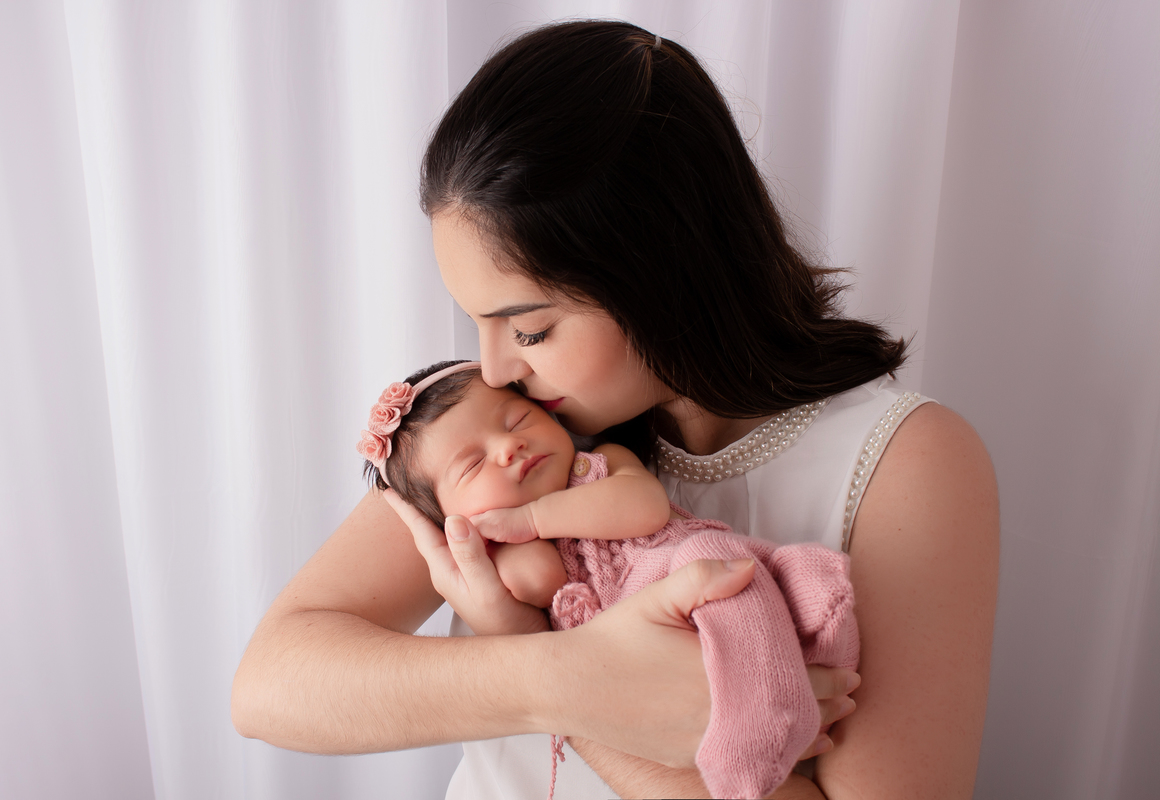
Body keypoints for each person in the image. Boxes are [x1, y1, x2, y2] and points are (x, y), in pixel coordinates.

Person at [232, 19, 998, 799]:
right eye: (477, 322)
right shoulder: (510, 425)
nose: (495, 368)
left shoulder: (904, 462)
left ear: (660, 273)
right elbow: (272, 682)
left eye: (530, 328)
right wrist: (561, 675)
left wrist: (596, 710)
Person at [358, 359, 861, 798]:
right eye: (472, 466)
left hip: (677, 567)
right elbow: (540, 582)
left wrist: (532, 518)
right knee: (717, 590)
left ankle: (804, 644)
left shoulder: (600, 463)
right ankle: (753, 729)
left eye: (518, 420)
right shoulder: (509, 551)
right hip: (640, 645)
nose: (509, 446)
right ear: (450, 518)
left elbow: (644, 509)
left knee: (715, 562)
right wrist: (494, 541)